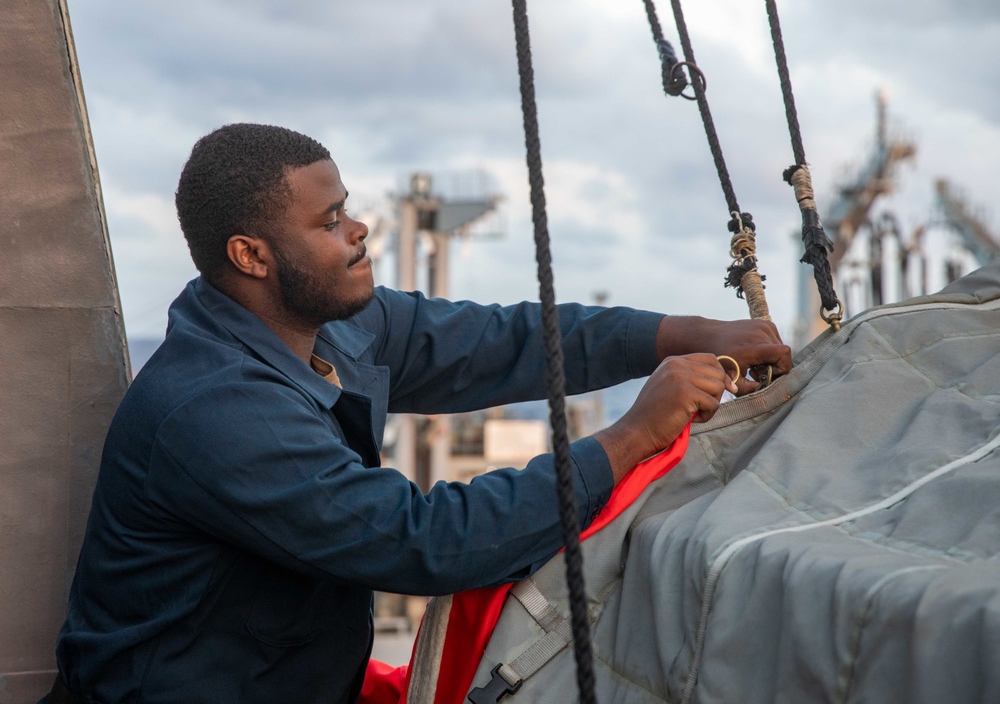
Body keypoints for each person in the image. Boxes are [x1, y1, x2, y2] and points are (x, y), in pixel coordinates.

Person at [48, 123, 791, 704]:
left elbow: (505, 340)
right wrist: (632, 436)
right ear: (252, 255)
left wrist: (685, 333)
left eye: (348, 208)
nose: (358, 229)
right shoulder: (216, 410)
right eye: (330, 219)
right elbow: (423, 542)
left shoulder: (331, 327)